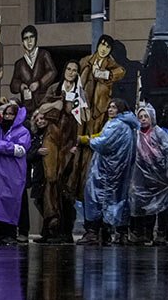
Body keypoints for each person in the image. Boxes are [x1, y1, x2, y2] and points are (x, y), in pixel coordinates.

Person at [32, 59, 87, 243]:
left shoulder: (80, 92)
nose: (71, 72)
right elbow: (41, 108)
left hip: (69, 141)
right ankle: (51, 222)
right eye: (69, 69)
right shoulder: (54, 88)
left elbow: (84, 118)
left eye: (74, 70)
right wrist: (56, 105)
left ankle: (62, 228)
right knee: (51, 178)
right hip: (52, 137)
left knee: (65, 183)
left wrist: (77, 144)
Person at [81, 99, 138, 245]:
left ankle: (93, 232)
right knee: (118, 200)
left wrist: (87, 140)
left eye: (113, 107)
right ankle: (118, 233)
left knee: (96, 198)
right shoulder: (128, 124)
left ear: (120, 109)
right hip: (118, 170)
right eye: (109, 107)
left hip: (106, 171)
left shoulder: (116, 124)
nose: (110, 110)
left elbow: (104, 143)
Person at [0, 100, 30, 242]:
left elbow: (21, 150)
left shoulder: (23, 131)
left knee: (11, 203)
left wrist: (1, 146)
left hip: (13, 173)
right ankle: (0, 233)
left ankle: (10, 234)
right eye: (6, 114)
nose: (8, 117)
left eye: (11, 114)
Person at [130, 101, 168, 244]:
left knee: (162, 206)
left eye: (146, 116)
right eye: (140, 117)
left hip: (160, 176)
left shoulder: (158, 132)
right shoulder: (136, 134)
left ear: (152, 117)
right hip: (141, 176)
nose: (144, 119)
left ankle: (162, 233)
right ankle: (145, 233)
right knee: (144, 205)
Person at [78, 34, 125, 136]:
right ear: (98, 45)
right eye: (102, 45)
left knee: (96, 131)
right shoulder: (86, 60)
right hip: (84, 102)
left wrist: (104, 74)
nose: (104, 49)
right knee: (80, 131)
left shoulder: (110, 63)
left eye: (108, 47)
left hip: (100, 104)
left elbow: (121, 71)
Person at [9, 25, 58, 114]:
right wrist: (20, 86)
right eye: (26, 38)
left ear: (36, 39)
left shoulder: (43, 55)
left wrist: (39, 83)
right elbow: (13, 85)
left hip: (44, 103)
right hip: (27, 106)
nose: (29, 41)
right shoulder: (19, 63)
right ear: (23, 42)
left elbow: (52, 72)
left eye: (31, 37)